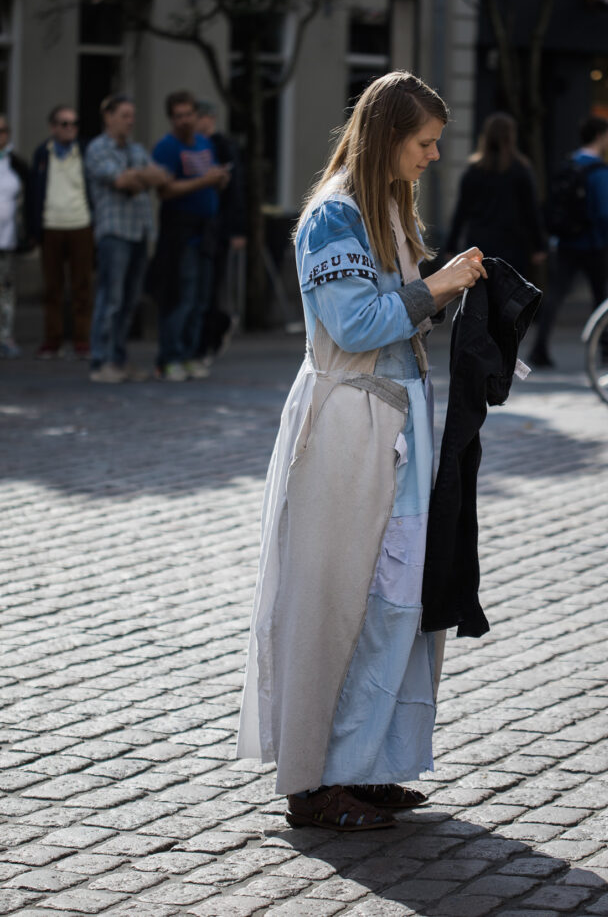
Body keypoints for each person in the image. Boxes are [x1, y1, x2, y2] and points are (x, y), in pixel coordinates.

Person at [236, 70, 486, 832]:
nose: (434, 155)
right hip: (349, 431)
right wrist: (437, 287)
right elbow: (355, 325)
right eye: (424, 142)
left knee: (395, 604)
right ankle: (315, 780)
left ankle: (367, 764)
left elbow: (397, 319)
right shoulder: (332, 218)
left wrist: (459, 291)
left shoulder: (385, 209)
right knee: (333, 601)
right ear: (387, 137)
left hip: (398, 430)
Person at [86, 94, 168, 383]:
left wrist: (138, 177)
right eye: (124, 115)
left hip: (139, 231)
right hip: (114, 233)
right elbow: (120, 181)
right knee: (111, 298)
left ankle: (119, 360)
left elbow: (161, 177)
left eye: (132, 115)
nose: (130, 121)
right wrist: (139, 177)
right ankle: (101, 361)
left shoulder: (135, 149)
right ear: (108, 117)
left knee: (130, 300)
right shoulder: (97, 148)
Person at [149, 91, 230, 381]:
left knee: (201, 298)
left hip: (206, 231)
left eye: (188, 114)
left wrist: (218, 179)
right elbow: (165, 191)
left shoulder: (204, 143)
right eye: (178, 116)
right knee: (180, 297)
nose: (184, 120)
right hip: (180, 234)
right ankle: (170, 358)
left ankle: (191, 354)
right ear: (172, 118)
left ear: (196, 115)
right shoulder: (166, 148)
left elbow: (210, 180)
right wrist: (204, 182)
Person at [530, 115, 608, 368]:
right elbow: (603, 211)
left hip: (566, 241)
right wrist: (607, 238)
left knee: (555, 296)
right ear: (600, 136)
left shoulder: (569, 163)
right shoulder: (600, 170)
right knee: (601, 298)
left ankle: (539, 348)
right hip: (593, 243)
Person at [445, 111, 546, 281]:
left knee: (480, 298)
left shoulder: (474, 170)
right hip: (513, 245)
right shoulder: (521, 169)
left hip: (479, 243)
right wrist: (539, 246)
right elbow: (531, 211)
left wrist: (451, 246)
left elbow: (461, 211)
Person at [27, 105, 94, 359]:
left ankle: (81, 340)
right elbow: (34, 192)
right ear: (53, 127)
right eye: (64, 124)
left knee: (82, 287)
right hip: (51, 225)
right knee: (52, 288)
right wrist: (34, 227)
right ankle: (52, 340)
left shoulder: (85, 151)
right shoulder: (43, 153)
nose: (69, 129)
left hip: (80, 223)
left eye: (73, 124)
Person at [194, 99, 246, 359]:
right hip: (201, 227)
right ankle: (202, 339)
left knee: (214, 287)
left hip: (220, 227)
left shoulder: (223, 146)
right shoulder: (195, 146)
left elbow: (235, 189)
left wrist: (236, 229)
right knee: (202, 288)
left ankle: (212, 336)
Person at [0, 115, 30, 358]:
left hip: (7, 239)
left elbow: (28, 198)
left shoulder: (15, 164)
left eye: (3, 130)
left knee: (6, 290)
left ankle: (5, 335)